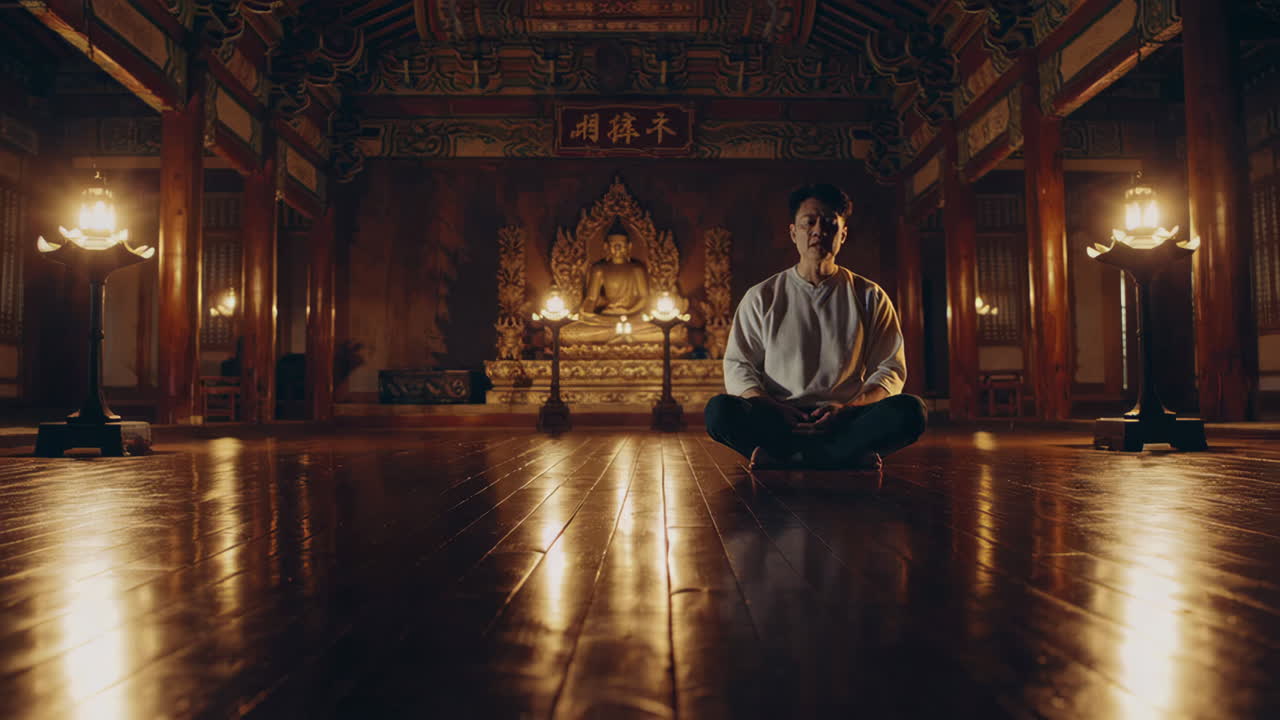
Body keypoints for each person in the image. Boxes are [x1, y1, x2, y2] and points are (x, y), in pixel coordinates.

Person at [704, 183, 927, 471]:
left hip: (845, 417)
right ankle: (846, 457)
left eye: (830, 224)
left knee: (911, 411)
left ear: (842, 235)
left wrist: (847, 410)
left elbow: (890, 368)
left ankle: (785, 459)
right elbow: (739, 366)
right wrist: (775, 408)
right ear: (793, 232)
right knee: (719, 411)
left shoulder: (869, 295)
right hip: (780, 417)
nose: (818, 231)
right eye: (809, 222)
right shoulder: (762, 296)